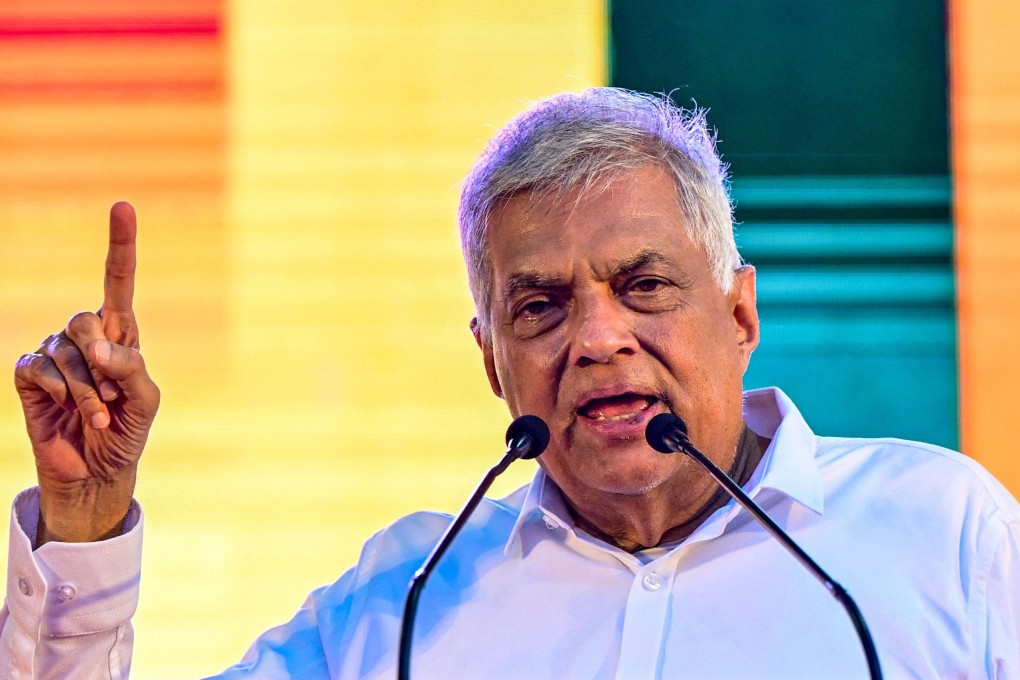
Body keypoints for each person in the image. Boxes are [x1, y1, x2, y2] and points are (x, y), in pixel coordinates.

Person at [3, 88, 1019, 679]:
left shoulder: (944, 535)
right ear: (492, 361)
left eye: (645, 285)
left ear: (740, 312)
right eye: (540, 306)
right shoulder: (403, 602)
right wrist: (86, 525)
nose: (598, 337)